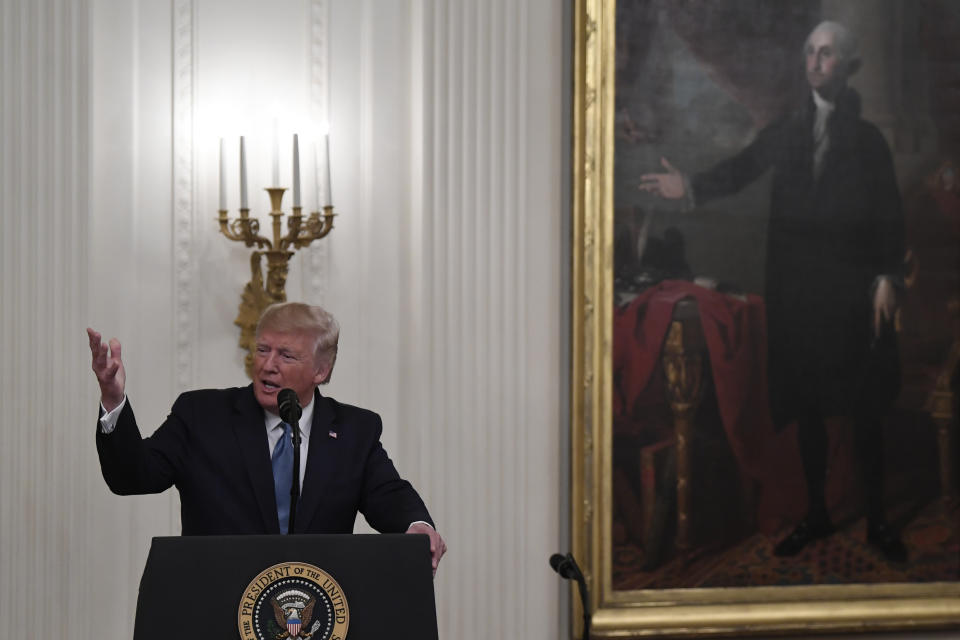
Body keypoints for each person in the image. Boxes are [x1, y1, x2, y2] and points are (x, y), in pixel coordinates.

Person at [639, 21, 906, 561]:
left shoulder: (869, 141)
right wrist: (689, 186)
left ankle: (878, 519)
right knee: (807, 405)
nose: (814, 61)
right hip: (800, 293)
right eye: (809, 51)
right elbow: (742, 168)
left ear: (847, 65)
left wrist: (885, 278)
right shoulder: (787, 130)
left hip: (852, 294)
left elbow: (889, 216)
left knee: (864, 410)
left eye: (826, 53)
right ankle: (817, 513)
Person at [88, 302, 447, 574]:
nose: (267, 365)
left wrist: (417, 526)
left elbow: (387, 493)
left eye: (286, 355)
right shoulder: (202, 415)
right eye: (263, 350)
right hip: (218, 608)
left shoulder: (355, 430)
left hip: (314, 614)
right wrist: (113, 399)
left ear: (321, 370)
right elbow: (132, 476)